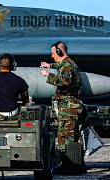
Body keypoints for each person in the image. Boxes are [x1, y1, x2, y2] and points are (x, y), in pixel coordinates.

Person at [40, 41, 85, 173]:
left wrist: (48, 75)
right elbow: (63, 68)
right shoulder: (68, 64)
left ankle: (68, 166)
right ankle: (78, 164)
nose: (51, 55)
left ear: (60, 52)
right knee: (75, 135)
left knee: (65, 135)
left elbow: (65, 81)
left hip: (68, 107)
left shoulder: (67, 66)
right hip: (73, 106)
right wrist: (50, 65)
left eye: (53, 53)